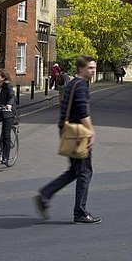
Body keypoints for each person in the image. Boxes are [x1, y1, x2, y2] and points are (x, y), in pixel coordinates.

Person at [34, 55, 102, 224]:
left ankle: (45, 194)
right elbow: (82, 111)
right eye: (90, 68)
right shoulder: (81, 86)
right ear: (81, 69)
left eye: (94, 68)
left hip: (67, 129)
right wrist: (91, 132)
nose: (93, 71)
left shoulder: (73, 83)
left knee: (75, 170)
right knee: (85, 172)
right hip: (77, 132)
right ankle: (80, 212)